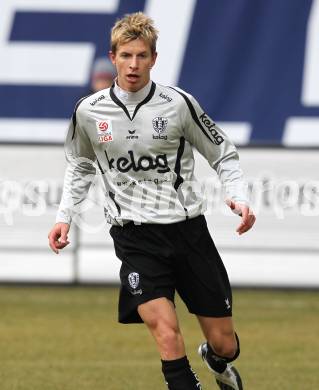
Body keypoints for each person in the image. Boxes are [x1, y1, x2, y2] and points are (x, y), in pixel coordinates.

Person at [48, 12, 256, 390]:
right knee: (165, 331)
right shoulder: (89, 111)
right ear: (112, 57)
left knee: (225, 342)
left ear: (154, 59)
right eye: (126, 55)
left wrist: (238, 196)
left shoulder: (178, 104)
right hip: (135, 238)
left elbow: (222, 153)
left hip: (188, 233)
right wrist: (65, 217)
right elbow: (80, 166)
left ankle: (217, 360)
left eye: (142, 55)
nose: (133, 64)